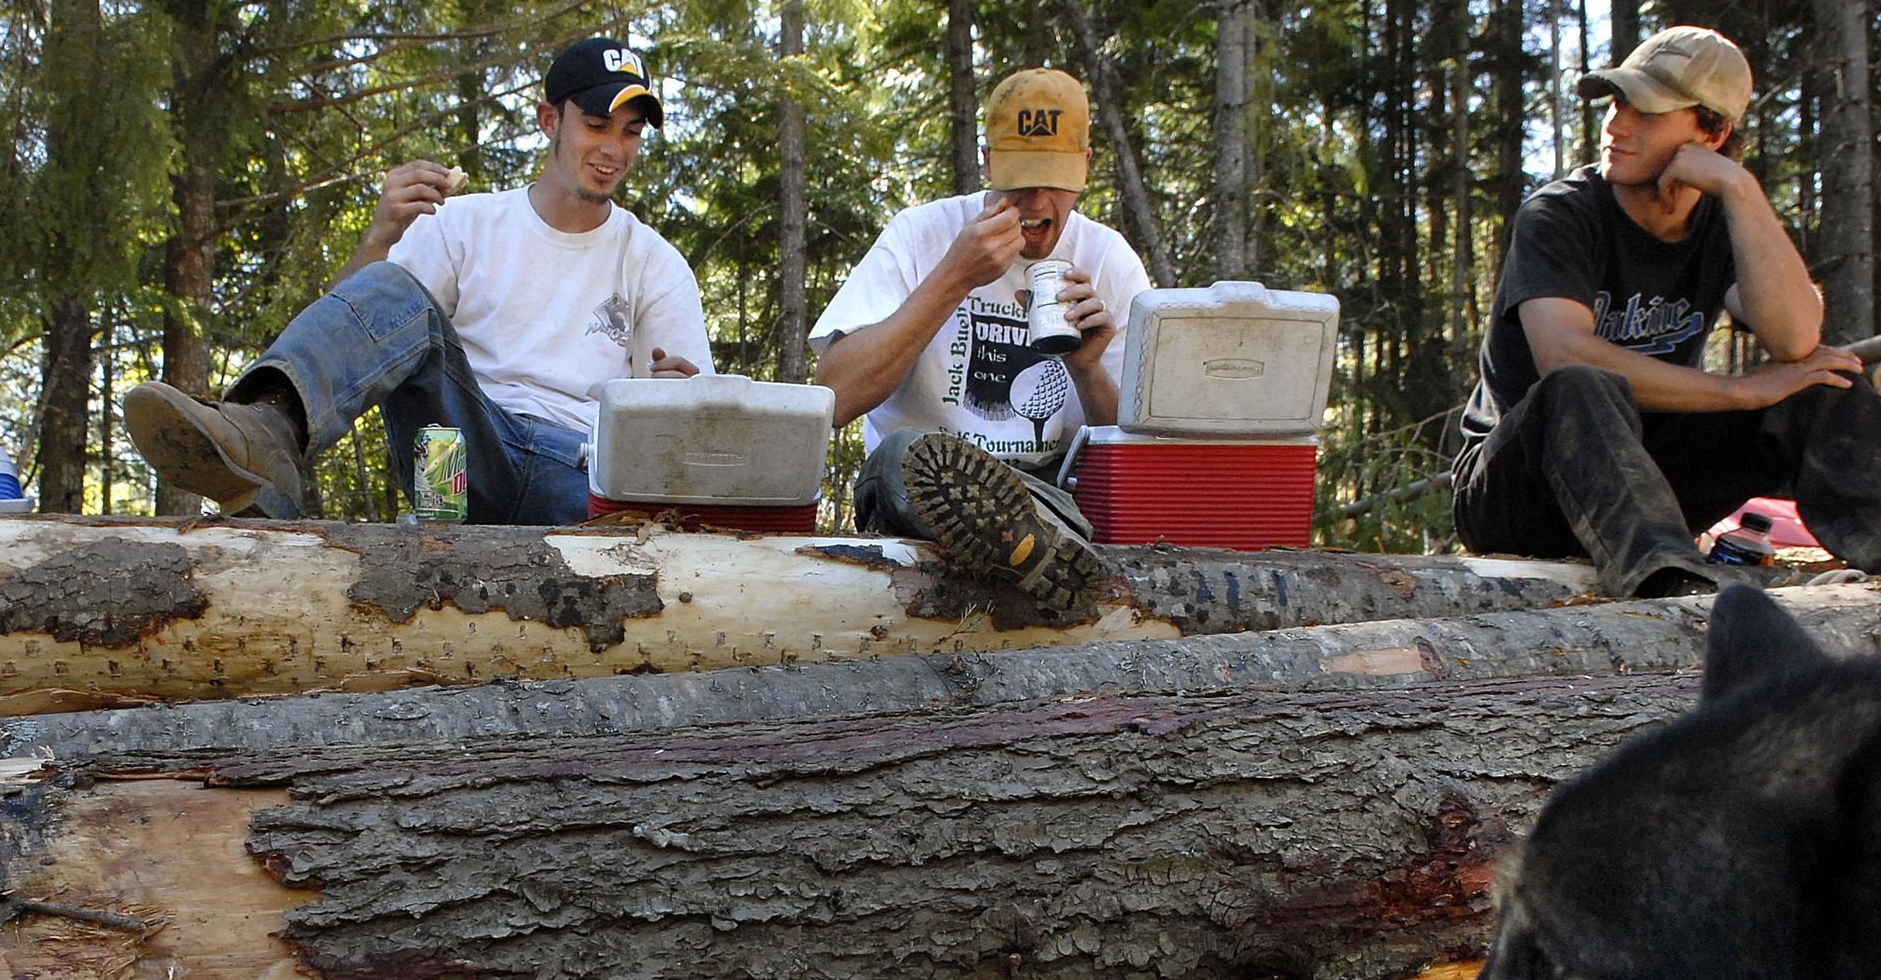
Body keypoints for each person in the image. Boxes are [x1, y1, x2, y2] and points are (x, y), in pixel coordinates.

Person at [125, 37, 712, 524]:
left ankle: (266, 482)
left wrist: (684, 399)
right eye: (596, 124)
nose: (614, 149)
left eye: (631, 132)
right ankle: (262, 438)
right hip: (457, 462)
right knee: (393, 289)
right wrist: (379, 237)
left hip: (579, 481)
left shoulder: (654, 263)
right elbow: (362, 325)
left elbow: (689, 444)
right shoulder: (463, 224)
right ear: (548, 120)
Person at [1453, 24, 1881, 596]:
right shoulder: (1562, 213)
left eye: (1645, 113)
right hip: (1517, 489)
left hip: (1648, 480)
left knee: (1823, 383)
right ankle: (1667, 584)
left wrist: (1742, 192)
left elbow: (1797, 341)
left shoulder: (1727, 221)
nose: (1616, 125)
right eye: (1617, 103)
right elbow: (1562, 353)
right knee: (1580, 384)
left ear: (1713, 132)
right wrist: (1740, 391)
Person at [812, 68, 1151, 610]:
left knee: (1051, 494)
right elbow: (835, 395)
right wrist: (954, 278)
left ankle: (1027, 537)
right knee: (907, 455)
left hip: (1045, 490)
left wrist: (1087, 370)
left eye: (1055, 179)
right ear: (988, 160)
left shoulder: (1108, 260)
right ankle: (1029, 546)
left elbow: (1133, 456)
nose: (1036, 201)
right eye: (1019, 177)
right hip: (912, 496)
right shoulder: (922, 234)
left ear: (1086, 167)